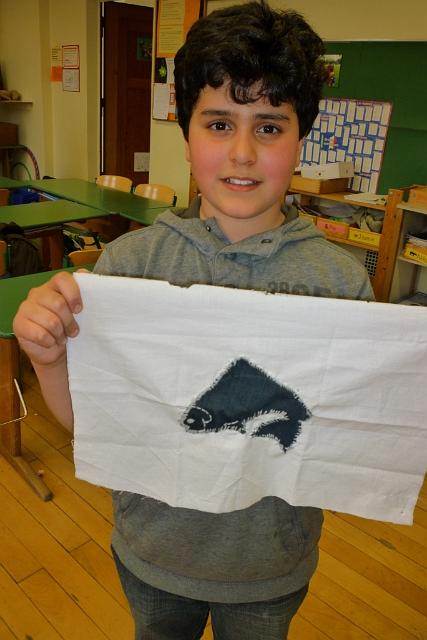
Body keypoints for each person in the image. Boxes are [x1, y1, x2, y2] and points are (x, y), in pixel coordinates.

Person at [13, 2, 374, 638]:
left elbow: (350, 436)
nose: (242, 152)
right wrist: (49, 359)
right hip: (154, 552)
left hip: (269, 566)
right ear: (187, 134)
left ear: (300, 140)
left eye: (269, 126)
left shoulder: (340, 284)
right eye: (219, 123)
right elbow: (96, 425)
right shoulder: (129, 268)